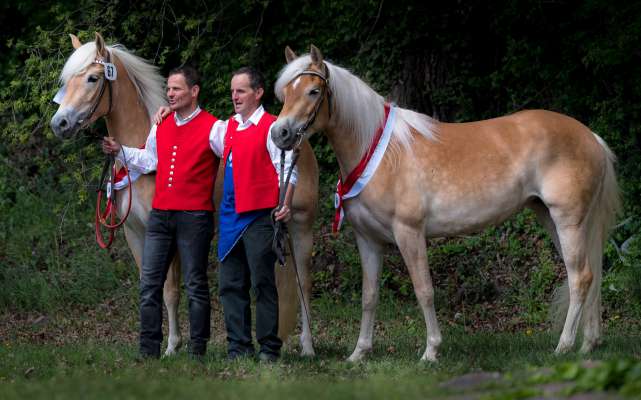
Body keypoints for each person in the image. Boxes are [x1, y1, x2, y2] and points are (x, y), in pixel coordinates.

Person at [156, 66, 295, 362]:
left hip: (259, 216)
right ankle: (238, 347)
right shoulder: (225, 127)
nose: (235, 96)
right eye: (232, 91)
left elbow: (287, 169)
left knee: (262, 284)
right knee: (230, 286)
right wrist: (168, 112)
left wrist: (285, 203)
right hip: (231, 219)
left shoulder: (272, 126)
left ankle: (269, 348)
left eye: (241, 90)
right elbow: (193, 125)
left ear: (258, 93)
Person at [102, 65, 219, 360]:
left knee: (195, 284)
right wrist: (120, 151)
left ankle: (197, 349)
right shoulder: (161, 125)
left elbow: (240, 150)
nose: (170, 94)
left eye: (177, 89)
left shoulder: (214, 127)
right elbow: (149, 159)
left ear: (194, 92)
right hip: (161, 215)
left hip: (194, 216)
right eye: (168, 89)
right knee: (150, 283)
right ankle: (148, 350)